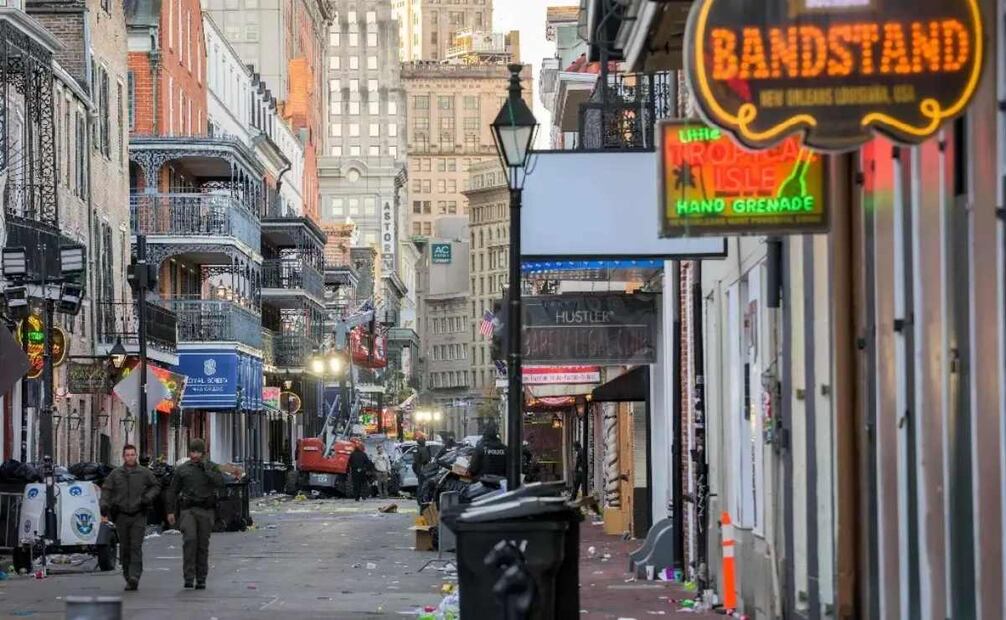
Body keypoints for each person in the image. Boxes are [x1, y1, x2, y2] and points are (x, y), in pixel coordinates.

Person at [166, 438, 225, 590]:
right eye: (193, 451)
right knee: (190, 541)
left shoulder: (211, 467)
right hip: (188, 510)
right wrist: (170, 511)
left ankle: (201, 578)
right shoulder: (183, 469)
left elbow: (220, 483)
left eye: (198, 452)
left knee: (202, 545)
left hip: (205, 510)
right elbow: (172, 491)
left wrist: (207, 470)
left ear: (203, 453)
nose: (195, 455)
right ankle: (189, 577)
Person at [99, 444, 160, 591]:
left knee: (136, 546)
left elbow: (156, 486)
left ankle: (135, 576)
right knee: (125, 548)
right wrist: (104, 505)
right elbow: (107, 490)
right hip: (121, 515)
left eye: (133, 454)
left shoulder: (144, 473)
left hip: (138, 514)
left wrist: (147, 497)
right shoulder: (116, 474)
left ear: (136, 456)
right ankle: (127, 576)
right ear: (123, 457)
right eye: (128, 455)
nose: (130, 457)